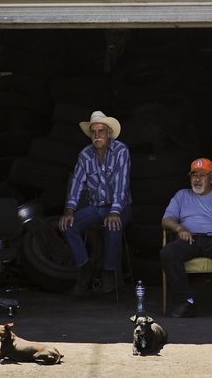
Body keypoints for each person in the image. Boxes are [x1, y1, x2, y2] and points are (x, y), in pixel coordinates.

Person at [58, 110, 132, 295]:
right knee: (68, 225)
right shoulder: (85, 155)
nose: (97, 135)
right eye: (93, 132)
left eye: (101, 131)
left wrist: (114, 212)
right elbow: (76, 184)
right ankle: (86, 267)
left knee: (113, 225)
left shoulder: (121, 151)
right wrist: (69, 209)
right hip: (95, 208)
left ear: (109, 133)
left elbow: (122, 186)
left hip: (121, 206)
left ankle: (109, 271)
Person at [160, 158, 212, 320]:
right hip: (189, 239)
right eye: (194, 175)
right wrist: (179, 228)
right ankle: (186, 302)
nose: (197, 179)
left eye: (202, 175)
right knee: (168, 252)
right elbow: (166, 219)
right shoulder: (182, 195)